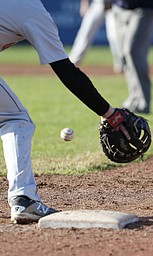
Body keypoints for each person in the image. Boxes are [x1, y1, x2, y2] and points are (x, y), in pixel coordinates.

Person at [0, 0, 134, 224]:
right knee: (16, 120)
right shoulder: (30, 9)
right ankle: (24, 198)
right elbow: (67, 73)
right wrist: (109, 113)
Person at [69, 0, 123, 73]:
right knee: (86, 32)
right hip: (98, 3)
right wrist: (84, 4)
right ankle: (73, 60)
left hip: (113, 5)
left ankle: (121, 64)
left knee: (114, 36)